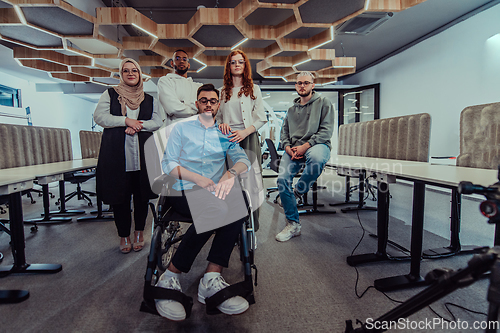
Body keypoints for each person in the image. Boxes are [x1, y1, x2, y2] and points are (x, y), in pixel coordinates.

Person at [155, 84, 251, 321]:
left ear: (218, 105)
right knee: (218, 209)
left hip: (212, 191)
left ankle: (211, 277)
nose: (208, 104)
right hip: (183, 190)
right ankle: (170, 274)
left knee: (238, 204)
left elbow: (242, 160)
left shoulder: (224, 132)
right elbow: (168, 163)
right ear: (196, 104)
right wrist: (197, 178)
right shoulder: (181, 130)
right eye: (203, 100)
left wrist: (230, 174)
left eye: (213, 100)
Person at [94, 58, 162, 253]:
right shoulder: (109, 94)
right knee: (119, 198)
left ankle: (139, 232)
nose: (131, 74)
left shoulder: (150, 99)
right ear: (121, 74)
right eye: (126, 71)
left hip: (142, 156)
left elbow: (158, 120)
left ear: (140, 74)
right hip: (116, 156)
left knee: (141, 197)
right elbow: (100, 117)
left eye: (134, 71)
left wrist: (137, 125)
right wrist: (126, 121)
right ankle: (124, 235)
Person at [275, 71, 335, 242]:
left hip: (316, 145)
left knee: (317, 159)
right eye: (299, 83)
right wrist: (287, 147)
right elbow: (284, 132)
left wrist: (305, 146)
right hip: (293, 148)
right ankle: (293, 224)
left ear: (312, 85)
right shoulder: (291, 110)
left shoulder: (324, 103)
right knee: (282, 179)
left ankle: (299, 191)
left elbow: (326, 131)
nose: (302, 86)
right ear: (296, 86)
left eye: (306, 83)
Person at [217, 50, 266, 231]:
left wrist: (244, 133)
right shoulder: (222, 92)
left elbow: (261, 118)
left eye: (241, 62)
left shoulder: (254, 89)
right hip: (229, 141)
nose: (237, 65)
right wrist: (222, 124)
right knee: (232, 183)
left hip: (248, 138)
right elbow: (219, 118)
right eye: (233, 62)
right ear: (228, 66)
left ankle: (252, 226)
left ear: (245, 66)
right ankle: (232, 228)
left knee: (252, 183)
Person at [157, 49, 202, 126]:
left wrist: (183, 102)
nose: (181, 61)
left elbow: (202, 107)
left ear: (188, 64)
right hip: (173, 129)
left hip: (195, 129)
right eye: (177, 59)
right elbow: (172, 108)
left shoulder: (198, 86)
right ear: (172, 63)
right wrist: (193, 108)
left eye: (184, 59)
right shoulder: (165, 81)